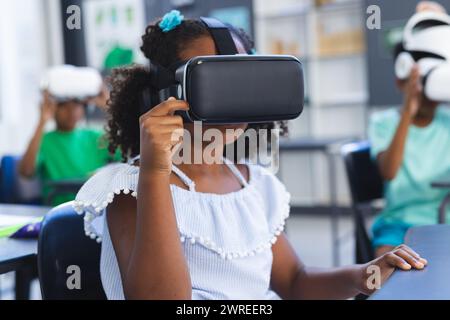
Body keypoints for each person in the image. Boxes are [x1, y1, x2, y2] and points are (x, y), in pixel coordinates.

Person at [75, 11, 426, 300]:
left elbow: (295, 281)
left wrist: (364, 275)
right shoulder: (130, 189)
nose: (234, 98)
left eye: (243, 77)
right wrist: (154, 172)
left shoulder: (252, 183)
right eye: (214, 79)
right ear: (165, 93)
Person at [369, 2, 450, 257]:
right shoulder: (384, 123)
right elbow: (389, 171)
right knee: (386, 270)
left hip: (445, 220)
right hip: (399, 226)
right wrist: (408, 111)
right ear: (400, 79)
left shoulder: (447, 122)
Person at [19, 83, 118, 206]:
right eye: (63, 105)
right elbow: (26, 172)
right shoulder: (44, 140)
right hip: (58, 210)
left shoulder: (95, 136)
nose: (71, 111)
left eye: (76, 104)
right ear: (52, 108)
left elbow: (130, 154)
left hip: (94, 208)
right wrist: (42, 121)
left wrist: (110, 109)